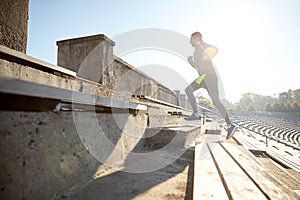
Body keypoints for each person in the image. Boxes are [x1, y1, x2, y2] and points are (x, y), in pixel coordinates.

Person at [184, 31, 237, 139]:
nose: (189, 41)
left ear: (196, 38)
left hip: (208, 77)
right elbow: (199, 68)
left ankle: (229, 125)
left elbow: (216, 49)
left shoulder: (201, 46)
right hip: (203, 77)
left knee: (192, 91)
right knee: (212, 100)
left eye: (191, 39)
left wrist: (205, 48)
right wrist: (191, 63)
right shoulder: (196, 52)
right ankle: (229, 125)